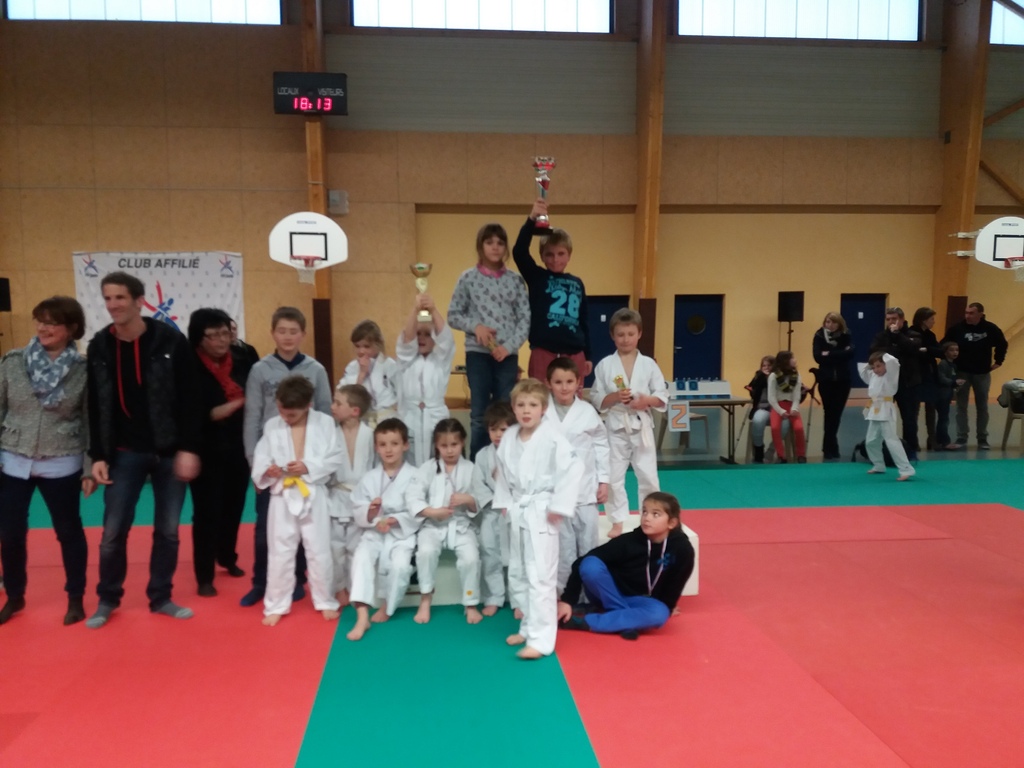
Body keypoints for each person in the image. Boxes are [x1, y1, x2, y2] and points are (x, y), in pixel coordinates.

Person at [85, 272, 203, 629]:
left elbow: (192, 399)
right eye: (108, 298)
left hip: (169, 451)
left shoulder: (170, 340)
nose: (113, 305)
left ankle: (161, 596)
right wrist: (97, 456)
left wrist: (188, 448)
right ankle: (107, 599)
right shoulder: (99, 346)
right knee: (112, 532)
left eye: (120, 298)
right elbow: (95, 405)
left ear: (139, 301)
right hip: (123, 453)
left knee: (168, 530)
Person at [0, 296, 93, 626]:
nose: (43, 327)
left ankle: (75, 597)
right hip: (13, 459)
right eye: (40, 320)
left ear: (71, 329)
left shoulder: (84, 370)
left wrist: (89, 468)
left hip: (62, 461)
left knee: (68, 532)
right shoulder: (13, 361)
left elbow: (90, 422)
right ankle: (14, 595)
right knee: (10, 533)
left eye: (52, 322)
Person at [241, 306, 332, 607]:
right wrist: (256, 466)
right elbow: (252, 417)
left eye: (294, 331)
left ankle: (298, 582)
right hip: (273, 462)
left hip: (306, 463)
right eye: (282, 331)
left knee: (307, 530)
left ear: (303, 334)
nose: (288, 337)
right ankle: (261, 583)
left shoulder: (315, 370)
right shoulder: (260, 370)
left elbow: (325, 413)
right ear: (273, 333)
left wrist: (317, 464)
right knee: (266, 532)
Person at [494, 378, 583, 660]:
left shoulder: (552, 437)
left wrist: (559, 504)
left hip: (542, 511)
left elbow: (574, 468)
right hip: (519, 508)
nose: (526, 410)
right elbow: (501, 472)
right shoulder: (509, 436)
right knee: (519, 573)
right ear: (513, 408)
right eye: (521, 405)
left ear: (544, 408)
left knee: (540, 576)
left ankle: (542, 640)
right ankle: (528, 627)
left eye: (533, 405)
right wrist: (504, 501)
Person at [252, 376, 343, 625]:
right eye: (281, 410)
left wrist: (307, 466)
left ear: (308, 406)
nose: (285, 417)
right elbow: (262, 456)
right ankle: (276, 604)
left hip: (313, 491)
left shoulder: (325, 423)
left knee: (319, 550)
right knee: (280, 550)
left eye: (291, 414)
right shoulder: (272, 425)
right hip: (283, 493)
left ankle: (325, 600)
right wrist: (268, 470)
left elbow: (335, 457)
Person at [558, 492, 695, 638]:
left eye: (655, 514)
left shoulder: (683, 550)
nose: (647, 518)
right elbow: (582, 562)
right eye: (644, 512)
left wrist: (668, 606)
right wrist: (567, 600)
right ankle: (625, 619)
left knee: (659, 614)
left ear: (671, 523)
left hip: (642, 601)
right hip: (608, 595)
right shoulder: (628, 541)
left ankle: (586, 621)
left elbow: (676, 582)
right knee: (590, 564)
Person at [447, 223, 530, 458]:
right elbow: (453, 315)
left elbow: (525, 320)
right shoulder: (468, 278)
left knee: (506, 412)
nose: (495, 247)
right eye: (489, 242)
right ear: (480, 246)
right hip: (478, 355)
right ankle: (477, 465)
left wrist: (508, 347)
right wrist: (476, 327)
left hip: (507, 356)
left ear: (506, 248)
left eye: (500, 243)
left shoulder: (515, 281)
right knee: (479, 414)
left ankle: (507, 462)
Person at [188, 308, 254, 597]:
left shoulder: (243, 357)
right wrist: (235, 405)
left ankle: (227, 556)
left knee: (234, 506)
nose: (221, 340)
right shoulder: (189, 365)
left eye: (225, 333)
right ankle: (204, 575)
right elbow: (193, 412)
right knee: (206, 512)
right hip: (205, 448)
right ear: (199, 338)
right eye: (213, 335)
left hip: (239, 445)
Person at [589, 308, 667, 539]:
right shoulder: (605, 365)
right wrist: (614, 397)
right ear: (612, 336)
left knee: (648, 475)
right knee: (614, 476)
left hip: (641, 425)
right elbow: (596, 398)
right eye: (620, 334)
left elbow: (662, 395)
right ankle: (617, 521)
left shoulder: (649, 364)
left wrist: (646, 401)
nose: (626, 339)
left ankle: (651, 517)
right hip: (615, 425)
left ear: (639, 333)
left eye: (630, 334)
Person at [346, 418, 419, 641]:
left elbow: (419, 509)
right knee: (361, 558)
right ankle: (362, 616)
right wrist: (371, 513)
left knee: (400, 566)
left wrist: (395, 520)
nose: (388, 449)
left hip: (401, 534)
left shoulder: (415, 476)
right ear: (376, 447)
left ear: (405, 445)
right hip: (375, 531)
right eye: (383, 444)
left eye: (394, 443)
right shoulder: (369, 478)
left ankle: (388, 605)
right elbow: (357, 507)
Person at [543, 357, 609, 592]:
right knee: (563, 549)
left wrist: (604, 480)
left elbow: (601, 446)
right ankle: (565, 596)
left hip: (585, 490)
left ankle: (590, 594)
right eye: (558, 382)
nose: (564, 387)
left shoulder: (587, 411)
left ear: (579, 382)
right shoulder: (541, 411)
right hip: (555, 492)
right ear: (548, 383)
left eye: (569, 382)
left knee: (589, 545)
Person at [408, 419, 481, 625]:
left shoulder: (471, 468)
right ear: (436, 446)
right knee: (425, 552)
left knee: (471, 558)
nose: (449, 450)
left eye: (454, 444)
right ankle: (425, 598)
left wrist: (468, 499)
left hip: (461, 525)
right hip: (432, 525)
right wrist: (432, 512)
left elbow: (479, 501)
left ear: (463, 442)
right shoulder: (428, 468)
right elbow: (413, 497)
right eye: (444, 445)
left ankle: (470, 603)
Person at [512, 198, 592, 382]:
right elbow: (519, 252)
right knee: (539, 396)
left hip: (574, 353)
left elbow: (584, 321)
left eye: (561, 254)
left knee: (571, 396)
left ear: (569, 255)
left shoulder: (577, 283)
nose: (555, 259)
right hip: (543, 351)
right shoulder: (537, 277)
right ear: (541, 256)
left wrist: (588, 355)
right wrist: (532, 219)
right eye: (549, 254)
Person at [327, 384, 375, 609]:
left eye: (338, 403)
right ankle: (339, 588)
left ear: (355, 411)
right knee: (335, 548)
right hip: (335, 496)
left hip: (361, 499)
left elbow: (376, 468)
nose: (332, 407)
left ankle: (358, 590)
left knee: (357, 548)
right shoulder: (329, 435)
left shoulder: (371, 435)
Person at [395, 293, 455, 466]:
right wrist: (415, 310)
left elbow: (446, 340)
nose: (421, 338)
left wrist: (433, 309)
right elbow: (407, 340)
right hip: (410, 416)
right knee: (409, 460)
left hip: (435, 417)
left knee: (438, 460)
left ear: (435, 339)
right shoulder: (405, 360)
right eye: (418, 334)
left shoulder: (441, 360)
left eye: (427, 334)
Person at [941, 302, 1008, 450]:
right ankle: (961, 437)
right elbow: (943, 345)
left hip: (982, 373)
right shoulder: (957, 329)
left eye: (971, 313)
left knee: (982, 406)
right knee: (961, 406)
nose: (968, 316)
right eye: (966, 312)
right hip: (962, 372)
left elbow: (1002, 344)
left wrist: (998, 361)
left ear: (980, 314)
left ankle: (982, 438)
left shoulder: (990, 329)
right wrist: (950, 364)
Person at [472, 401, 516, 617]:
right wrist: (496, 500)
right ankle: (494, 597)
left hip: (514, 513)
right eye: (493, 429)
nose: (498, 434)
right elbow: (478, 485)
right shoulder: (482, 456)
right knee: (490, 555)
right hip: (491, 513)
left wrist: (507, 489)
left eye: (504, 429)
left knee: (518, 558)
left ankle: (519, 600)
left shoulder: (520, 453)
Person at [870, 307, 922, 461]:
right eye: (888, 319)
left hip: (908, 383)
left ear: (902, 320)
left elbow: (912, 348)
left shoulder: (913, 335)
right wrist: (895, 349)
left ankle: (911, 450)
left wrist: (897, 336)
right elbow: (874, 352)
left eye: (894, 319)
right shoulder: (880, 336)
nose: (891, 322)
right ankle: (882, 451)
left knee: (909, 419)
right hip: (886, 385)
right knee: (882, 418)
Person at [858, 352, 915, 481]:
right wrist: (871, 364)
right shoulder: (873, 375)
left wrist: (883, 355)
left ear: (886, 365)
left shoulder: (891, 375)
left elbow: (893, 362)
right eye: (873, 367)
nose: (876, 369)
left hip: (886, 409)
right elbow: (863, 372)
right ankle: (878, 465)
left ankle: (906, 469)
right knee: (871, 441)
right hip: (874, 409)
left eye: (879, 366)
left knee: (891, 440)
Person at [338, 319, 398, 424]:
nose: (361, 351)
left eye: (366, 346)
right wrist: (361, 375)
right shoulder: (352, 368)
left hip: (388, 420)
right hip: (362, 420)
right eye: (357, 346)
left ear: (378, 344)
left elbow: (401, 394)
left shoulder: (389, 365)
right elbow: (345, 397)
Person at [812, 312, 854, 461]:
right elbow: (817, 356)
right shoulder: (819, 336)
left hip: (843, 380)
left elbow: (850, 353)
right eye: (828, 322)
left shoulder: (846, 335)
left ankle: (830, 444)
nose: (830, 325)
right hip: (826, 380)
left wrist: (829, 354)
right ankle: (830, 446)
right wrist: (839, 354)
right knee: (829, 412)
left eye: (833, 322)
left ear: (839, 324)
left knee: (837, 414)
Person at [910, 307, 942, 451]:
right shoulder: (910, 333)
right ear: (923, 320)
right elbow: (913, 352)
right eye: (931, 319)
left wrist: (927, 350)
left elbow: (940, 351)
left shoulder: (930, 335)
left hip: (929, 374)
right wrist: (928, 351)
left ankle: (932, 439)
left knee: (931, 407)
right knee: (914, 409)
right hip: (915, 374)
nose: (933, 322)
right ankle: (913, 440)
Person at [767, 351, 807, 464]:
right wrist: (780, 411)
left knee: (799, 428)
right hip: (778, 405)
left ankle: (801, 455)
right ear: (785, 361)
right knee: (775, 428)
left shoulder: (796, 375)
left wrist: (795, 408)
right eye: (792, 358)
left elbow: (796, 395)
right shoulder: (773, 376)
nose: (795, 360)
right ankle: (781, 455)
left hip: (791, 405)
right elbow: (771, 397)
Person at [745, 355, 778, 464]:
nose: (766, 367)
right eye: (764, 365)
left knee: (784, 425)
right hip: (763, 408)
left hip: (778, 410)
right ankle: (758, 450)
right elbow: (753, 392)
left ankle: (771, 451)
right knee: (758, 420)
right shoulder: (758, 376)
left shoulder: (779, 376)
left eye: (769, 365)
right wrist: (762, 379)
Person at [936, 342, 964, 451]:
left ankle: (941, 441)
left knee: (944, 418)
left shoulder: (953, 365)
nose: (955, 352)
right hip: (942, 395)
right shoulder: (943, 364)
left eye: (957, 350)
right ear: (945, 352)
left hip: (947, 394)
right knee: (943, 419)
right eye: (951, 350)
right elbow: (941, 378)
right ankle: (944, 442)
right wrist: (953, 382)